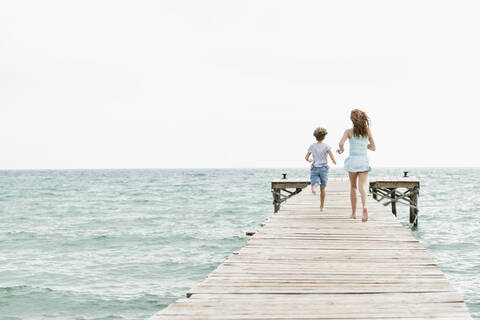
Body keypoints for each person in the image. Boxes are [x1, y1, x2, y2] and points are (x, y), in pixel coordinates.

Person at [337, 109, 376, 222]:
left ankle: (354, 214)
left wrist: (341, 149)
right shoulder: (367, 131)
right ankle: (364, 207)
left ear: (352, 120)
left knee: (353, 187)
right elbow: (373, 147)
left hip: (353, 160)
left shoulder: (348, 131)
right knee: (362, 187)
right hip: (363, 160)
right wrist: (366, 146)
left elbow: (340, 143)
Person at [305, 127, 337, 211]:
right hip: (324, 168)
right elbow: (331, 155)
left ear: (315, 136)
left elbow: (306, 157)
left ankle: (314, 187)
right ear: (324, 136)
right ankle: (322, 206)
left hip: (314, 168)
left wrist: (309, 160)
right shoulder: (326, 146)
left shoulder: (312, 146)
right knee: (322, 189)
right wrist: (334, 161)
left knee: (315, 181)